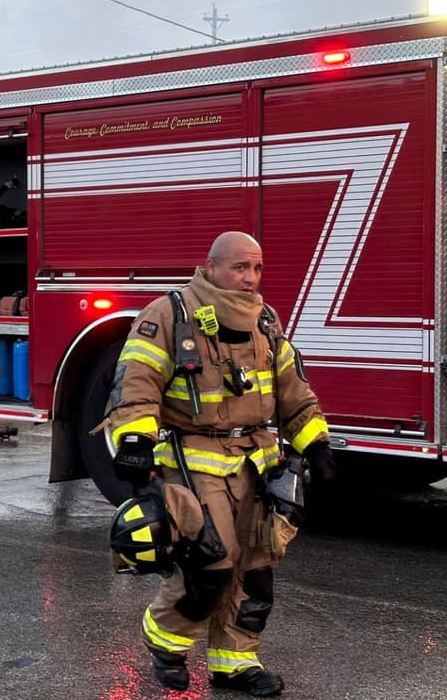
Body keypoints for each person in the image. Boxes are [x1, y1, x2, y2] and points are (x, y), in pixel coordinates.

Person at [105, 231, 335, 697]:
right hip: (193, 461)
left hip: (256, 462)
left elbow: (292, 392)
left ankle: (234, 663)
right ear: (209, 267)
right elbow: (136, 384)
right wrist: (134, 440)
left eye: (257, 269)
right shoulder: (169, 315)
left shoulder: (265, 321)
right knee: (211, 563)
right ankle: (164, 638)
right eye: (239, 268)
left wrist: (316, 444)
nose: (250, 278)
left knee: (255, 569)